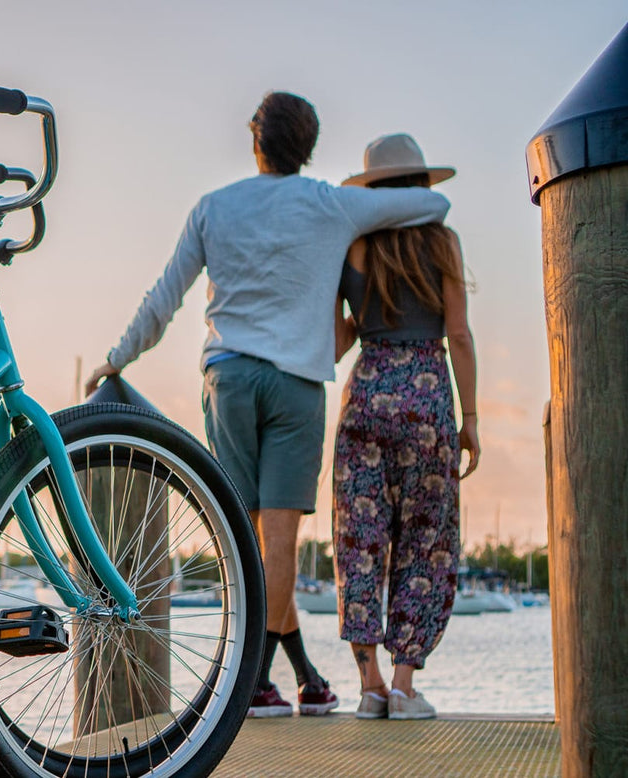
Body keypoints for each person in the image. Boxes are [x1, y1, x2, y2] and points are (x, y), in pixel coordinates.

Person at [85, 92, 451, 718]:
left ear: (256, 141)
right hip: (294, 386)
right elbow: (434, 202)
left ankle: (256, 679)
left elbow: (164, 299)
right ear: (307, 148)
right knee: (276, 541)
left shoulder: (214, 207)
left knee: (236, 536)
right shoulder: (332, 205)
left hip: (228, 379)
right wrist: (365, 206)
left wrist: (116, 359)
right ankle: (259, 681)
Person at [331, 133, 479, 721]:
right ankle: (403, 684)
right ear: (419, 186)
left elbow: (337, 336)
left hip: (366, 391)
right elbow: (460, 335)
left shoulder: (354, 244)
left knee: (359, 538)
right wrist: (473, 419)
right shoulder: (443, 242)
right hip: (428, 398)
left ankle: (367, 687)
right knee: (426, 538)